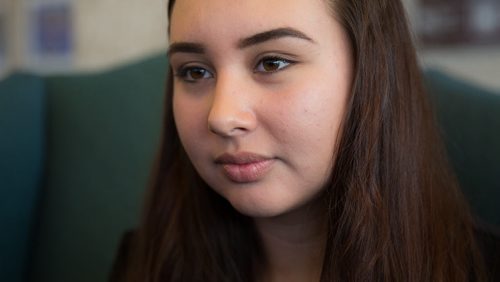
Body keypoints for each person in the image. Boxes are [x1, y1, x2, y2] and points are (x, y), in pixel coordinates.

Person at [111, 0, 500, 281]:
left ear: (371, 73)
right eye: (194, 71)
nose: (222, 117)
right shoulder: (143, 263)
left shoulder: (481, 268)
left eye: (272, 62)